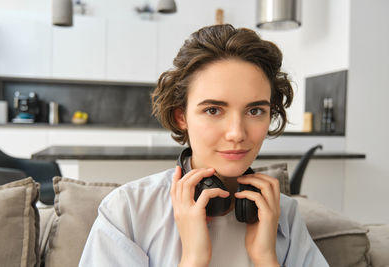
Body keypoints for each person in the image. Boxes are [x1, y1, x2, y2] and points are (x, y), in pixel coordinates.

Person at [79, 24, 328, 267]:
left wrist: (266, 259)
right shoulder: (127, 211)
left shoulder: (284, 214)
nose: (236, 133)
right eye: (213, 110)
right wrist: (193, 259)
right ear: (181, 117)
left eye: (255, 110)